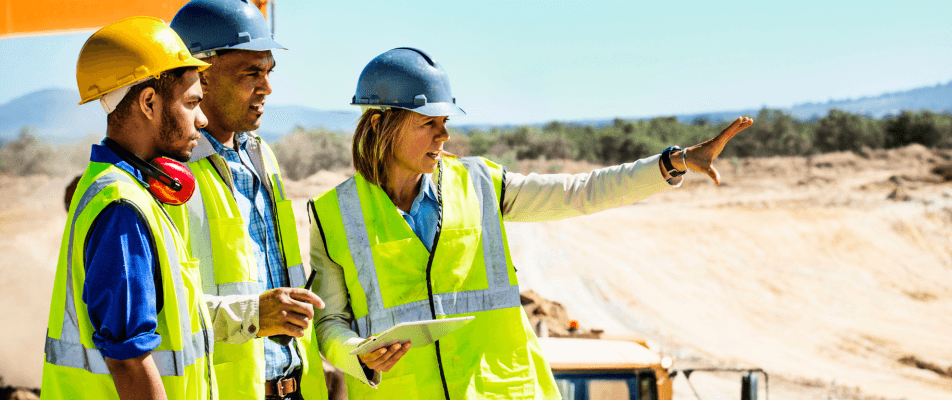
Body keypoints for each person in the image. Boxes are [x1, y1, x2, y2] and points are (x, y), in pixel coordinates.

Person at [307, 47, 753, 399]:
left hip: (503, 392)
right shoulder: (332, 214)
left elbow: (579, 193)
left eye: (445, 122)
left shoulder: (480, 183)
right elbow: (330, 322)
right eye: (430, 124)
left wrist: (671, 163)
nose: (444, 136)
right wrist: (357, 354)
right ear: (383, 125)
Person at [41, 17, 217, 399]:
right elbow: (128, 359)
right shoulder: (122, 206)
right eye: (191, 103)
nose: (202, 120)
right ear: (149, 102)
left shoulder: (124, 190)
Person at [166, 1, 327, 399]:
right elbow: (160, 311)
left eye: (268, 72)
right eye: (251, 73)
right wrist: (253, 315)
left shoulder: (260, 156)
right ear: (198, 75)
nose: (267, 87)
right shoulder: (167, 173)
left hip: (295, 388)